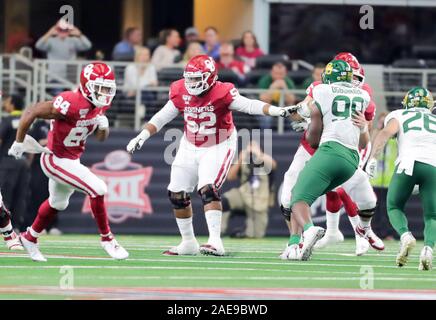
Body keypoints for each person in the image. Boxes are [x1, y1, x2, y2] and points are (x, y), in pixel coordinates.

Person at [126, 55, 290, 256]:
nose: (192, 83)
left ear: (211, 77)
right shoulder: (180, 89)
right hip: (189, 144)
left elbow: (250, 105)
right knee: (177, 194)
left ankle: (215, 242)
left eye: (197, 78)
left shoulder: (223, 91)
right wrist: (142, 135)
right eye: (190, 78)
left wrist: (278, 110)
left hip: (219, 143)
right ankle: (188, 243)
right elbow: (162, 116)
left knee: (208, 188)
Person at [8, 62, 129, 262]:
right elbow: (33, 111)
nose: (105, 93)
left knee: (58, 203)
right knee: (98, 188)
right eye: (101, 88)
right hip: (54, 158)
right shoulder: (71, 101)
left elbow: (101, 137)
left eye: (108, 89)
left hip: (72, 158)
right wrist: (19, 141)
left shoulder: (99, 104)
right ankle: (107, 239)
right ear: (87, 85)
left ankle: (30, 236)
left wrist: (103, 126)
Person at [280, 53, 383, 260]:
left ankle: (359, 232)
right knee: (292, 195)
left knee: (295, 197)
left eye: (357, 77)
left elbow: (304, 117)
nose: (354, 81)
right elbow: (363, 137)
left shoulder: (322, 89)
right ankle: (296, 242)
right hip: (344, 153)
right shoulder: (362, 96)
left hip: (325, 147)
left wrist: (307, 119)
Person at [366, 87, 436, 271]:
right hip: (433, 166)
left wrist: (372, 157)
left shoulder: (399, 114)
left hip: (408, 163)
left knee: (394, 206)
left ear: (407, 102)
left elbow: (384, 134)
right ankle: (428, 249)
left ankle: (406, 236)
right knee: (432, 216)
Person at [221, 141, 276, 238]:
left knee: (255, 235)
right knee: (224, 201)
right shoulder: (244, 161)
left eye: (254, 146)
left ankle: (244, 231)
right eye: (249, 146)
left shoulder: (265, 160)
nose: (250, 149)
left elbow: (274, 165)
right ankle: (219, 231)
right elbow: (230, 176)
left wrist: (258, 153)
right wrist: (240, 159)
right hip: (243, 195)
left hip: (259, 201)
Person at [0, 94, 30, 232]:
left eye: (7, 101)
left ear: (12, 104)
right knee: (20, 195)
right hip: (23, 162)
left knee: (5, 194)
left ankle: (4, 226)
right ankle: (16, 226)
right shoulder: (28, 119)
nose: (5, 104)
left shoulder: (7, 120)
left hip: (8, 162)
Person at [35, 19, 92, 83]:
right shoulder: (50, 41)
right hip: (54, 76)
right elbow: (38, 45)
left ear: (69, 30)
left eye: (65, 30)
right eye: (60, 29)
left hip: (70, 76)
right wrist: (49, 33)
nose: (63, 32)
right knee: (57, 92)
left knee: (71, 92)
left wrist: (80, 34)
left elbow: (88, 46)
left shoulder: (73, 40)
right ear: (56, 30)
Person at [258, 62, 296, 128]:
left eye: (281, 74)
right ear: (271, 72)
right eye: (276, 73)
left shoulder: (288, 82)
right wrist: (273, 87)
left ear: (285, 73)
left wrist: (285, 88)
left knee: (294, 118)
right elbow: (263, 100)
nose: (278, 76)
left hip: (283, 109)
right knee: (267, 119)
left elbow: (291, 101)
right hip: (267, 109)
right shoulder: (265, 81)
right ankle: (266, 137)